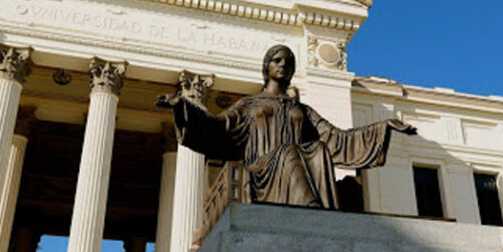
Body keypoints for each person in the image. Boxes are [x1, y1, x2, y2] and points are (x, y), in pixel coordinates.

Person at [156, 44, 416, 209]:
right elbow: (219, 126)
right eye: (277, 60)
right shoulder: (250, 104)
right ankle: (311, 208)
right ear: (266, 66)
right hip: (260, 170)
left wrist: (383, 127)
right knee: (290, 151)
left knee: (317, 150)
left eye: (287, 62)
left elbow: (337, 139)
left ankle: (316, 209)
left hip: (294, 164)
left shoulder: (300, 109)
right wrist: (183, 106)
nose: (282, 65)